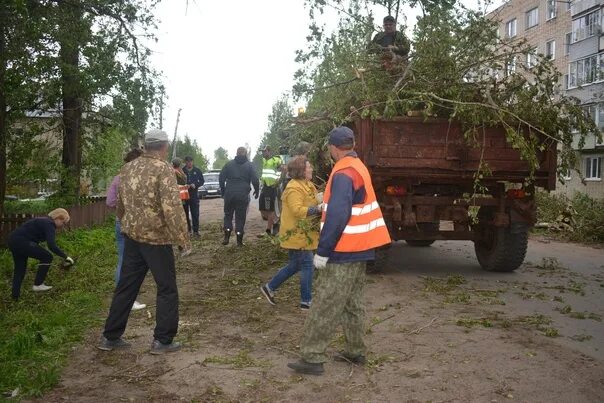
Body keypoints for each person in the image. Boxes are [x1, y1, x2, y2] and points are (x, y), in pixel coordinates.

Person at [287, 126, 392, 375]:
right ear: (352, 145)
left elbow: (338, 215)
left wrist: (323, 251)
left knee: (325, 302)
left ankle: (312, 357)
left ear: (334, 148)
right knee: (352, 303)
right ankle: (356, 351)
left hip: (344, 251)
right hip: (361, 249)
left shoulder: (343, 171)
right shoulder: (359, 167)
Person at [98, 129, 190, 354]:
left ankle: (110, 337)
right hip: (156, 239)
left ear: (147, 145)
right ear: (164, 146)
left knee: (126, 286)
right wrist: (183, 240)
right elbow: (172, 208)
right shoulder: (163, 169)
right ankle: (163, 341)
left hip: (132, 236)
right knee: (167, 289)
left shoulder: (128, 168)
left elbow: (120, 204)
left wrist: (126, 223)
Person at [260, 156, 320, 311]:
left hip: (304, 233)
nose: (312, 168)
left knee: (295, 265)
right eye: (309, 167)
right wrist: (318, 209)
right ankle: (306, 301)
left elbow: (314, 199)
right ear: (301, 170)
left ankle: (270, 287)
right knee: (307, 264)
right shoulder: (293, 188)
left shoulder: (308, 185)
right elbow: (297, 210)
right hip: (297, 234)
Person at [106, 148, 146, 311]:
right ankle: (128, 300)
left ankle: (122, 298)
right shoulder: (136, 179)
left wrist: (121, 206)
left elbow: (109, 202)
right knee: (132, 262)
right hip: (134, 224)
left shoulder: (118, 178)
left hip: (119, 222)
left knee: (123, 259)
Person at [8, 208, 74, 300]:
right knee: (47, 256)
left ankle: (15, 298)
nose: (62, 226)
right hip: (23, 242)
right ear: (58, 218)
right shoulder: (49, 224)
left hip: (14, 241)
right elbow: (52, 246)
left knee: (20, 270)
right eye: (63, 223)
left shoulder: (44, 221)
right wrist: (66, 257)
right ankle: (38, 284)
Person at [218, 146, 260, 246]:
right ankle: (239, 241)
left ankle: (226, 236)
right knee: (240, 217)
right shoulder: (249, 165)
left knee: (228, 215)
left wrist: (223, 191)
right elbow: (255, 180)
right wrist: (257, 191)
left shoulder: (229, 164)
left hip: (229, 193)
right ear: (245, 154)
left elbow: (221, 178)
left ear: (236, 153)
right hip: (242, 194)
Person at [259, 145, 283, 236]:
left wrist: (278, 181)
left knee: (270, 209)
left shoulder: (276, 160)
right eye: (262, 151)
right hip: (265, 187)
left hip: (272, 187)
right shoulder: (264, 160)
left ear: (269, 151)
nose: (263, 153)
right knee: (262, 208)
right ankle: (276, 223)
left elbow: (281, 170)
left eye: (264, 151)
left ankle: (269, 230)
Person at [182, 155, 204, 238]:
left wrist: (196, 184)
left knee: (195, 213)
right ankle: (188, 230)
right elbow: (177, 182)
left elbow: (202, 181)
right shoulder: (182, 170)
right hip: (184, 196)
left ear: (192, 162)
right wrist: (185, 185)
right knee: (185, 214)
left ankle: (196, 231)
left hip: (194, 195)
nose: (189, 163)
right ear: (185, 162)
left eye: (190, 161)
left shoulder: (197, 170)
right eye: (187, 162)